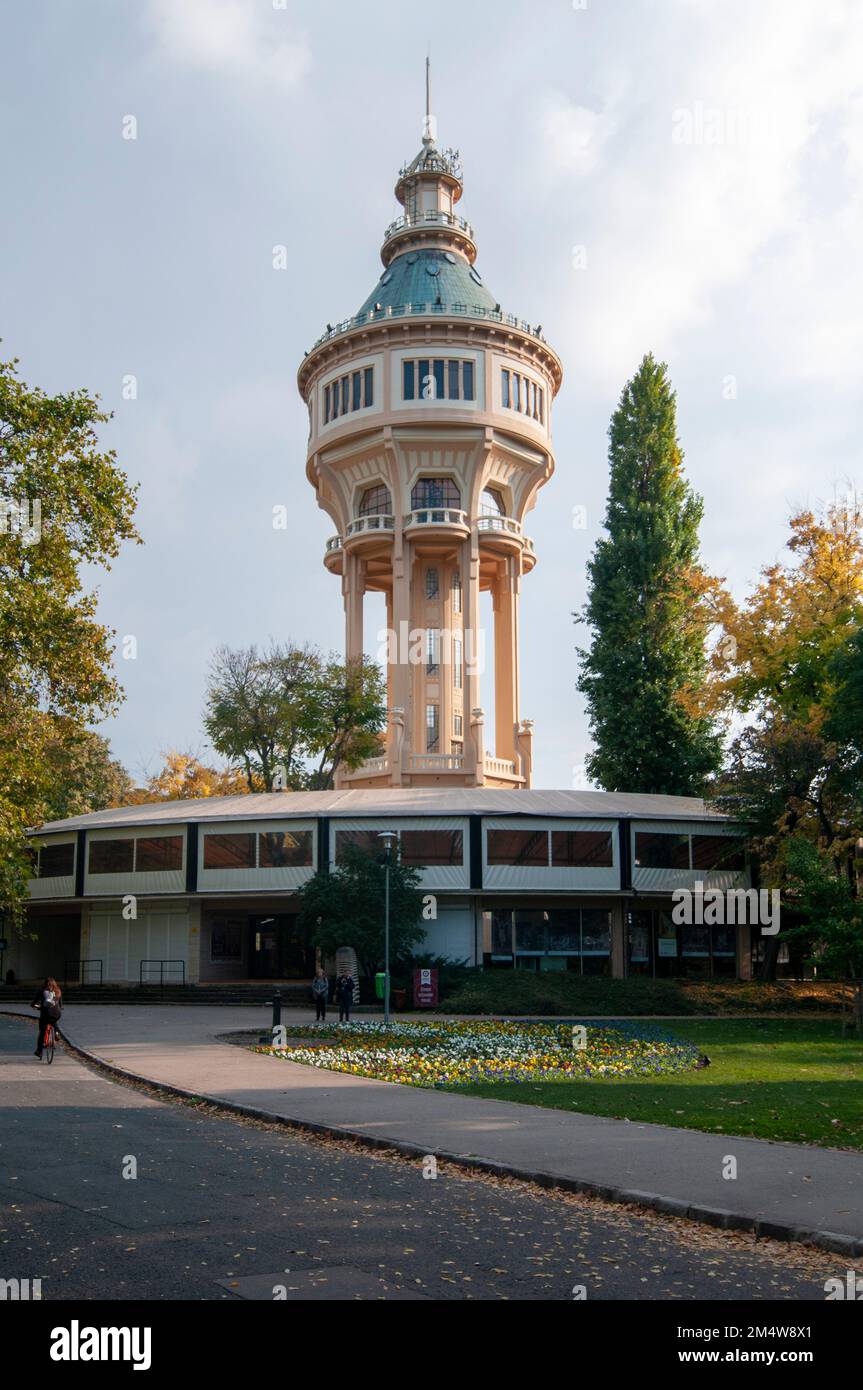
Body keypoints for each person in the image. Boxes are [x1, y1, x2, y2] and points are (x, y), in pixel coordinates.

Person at [31, 977, 62, 1059]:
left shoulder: (41, 991)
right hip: (57, 1013)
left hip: (45, 1014)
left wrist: (36, 1006)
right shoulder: (58, 990)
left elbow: (33, 1003)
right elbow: (61, 1004)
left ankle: (39, 1051)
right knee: (54, 1021)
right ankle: (57, 1033)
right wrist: (60, 1007)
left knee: (42, 1032)